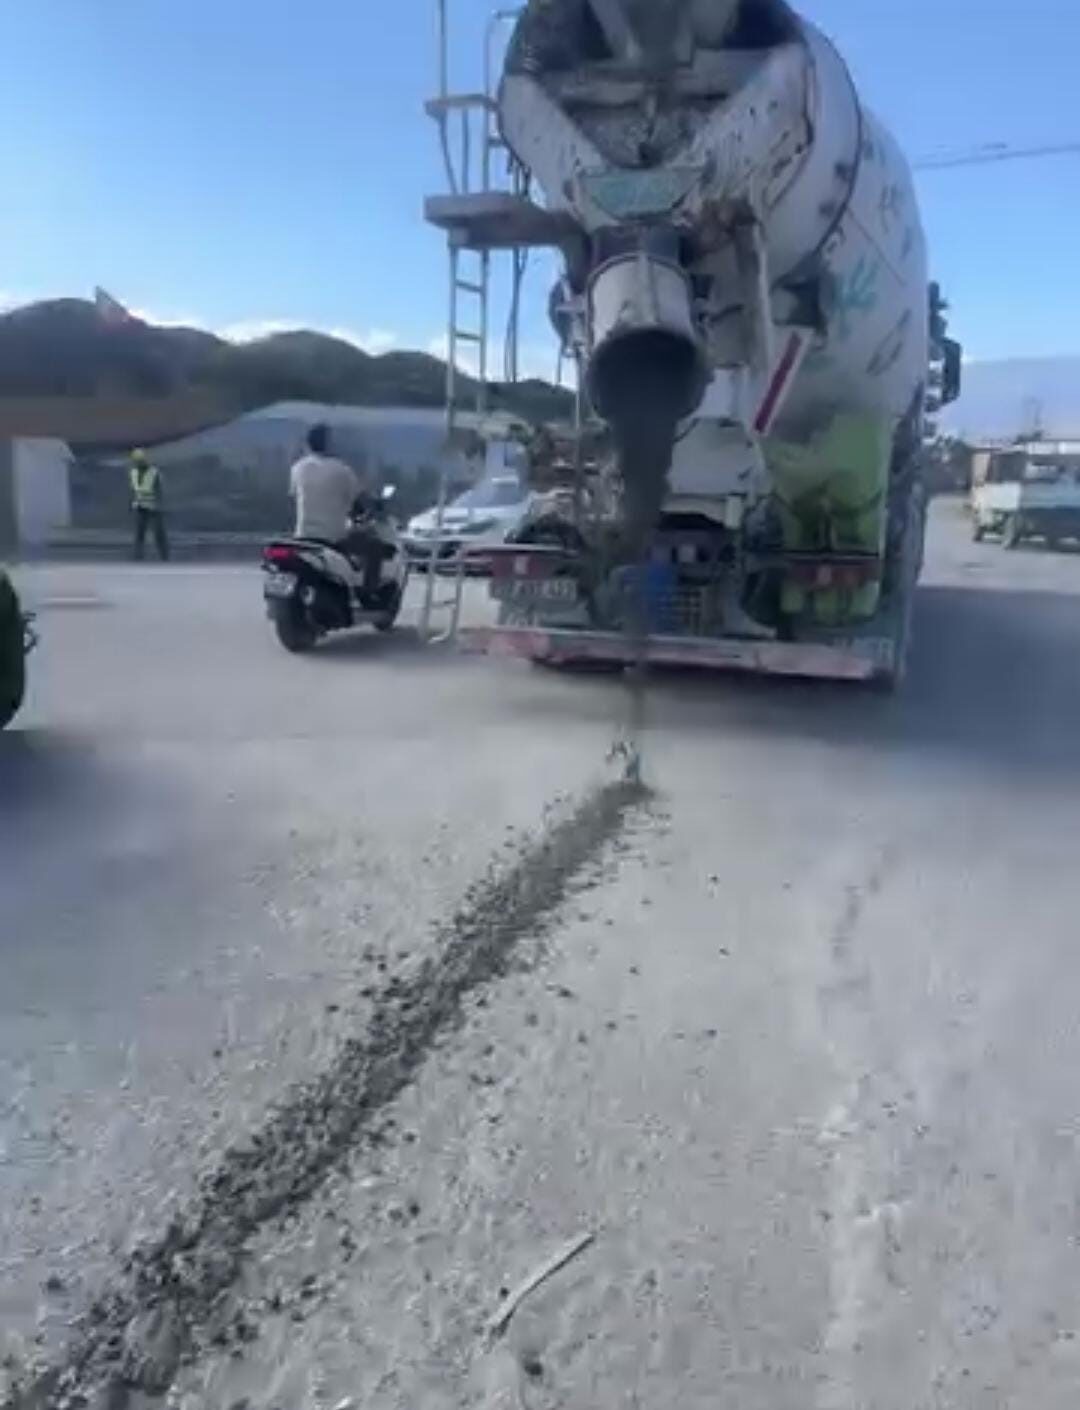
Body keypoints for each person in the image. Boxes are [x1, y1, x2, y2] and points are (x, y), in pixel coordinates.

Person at [288, 424, 384, 597]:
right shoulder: (342, 470)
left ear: (307, 445)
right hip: (334, 538)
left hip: (302, 536)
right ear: (329, 444)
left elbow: (294, 495)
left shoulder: (297, 469)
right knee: (375, 547)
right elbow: (359, 500)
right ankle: (368, 594)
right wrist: (370, 508)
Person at [130, 449, 169, 561]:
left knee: (158, 532)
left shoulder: (153, 472)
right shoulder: (133, 472)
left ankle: (164, 556)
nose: (139, 463)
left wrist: (159, 505)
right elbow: (134, 490)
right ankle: (138, 556)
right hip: (140, 507)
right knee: (139, 533)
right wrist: (133, 503)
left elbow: (160, 490)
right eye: (137, 461)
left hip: (154, 507)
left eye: (140, 461)